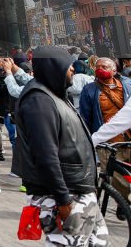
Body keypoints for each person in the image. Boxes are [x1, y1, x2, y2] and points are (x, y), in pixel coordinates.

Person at [14, 46, 108, 245]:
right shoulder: (39, 100)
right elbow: (45, 155)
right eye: (68, 66)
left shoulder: (53, 94)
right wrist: (63, 199)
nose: (73, 69)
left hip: (78, 192)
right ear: (53, 68)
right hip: (64, 195)